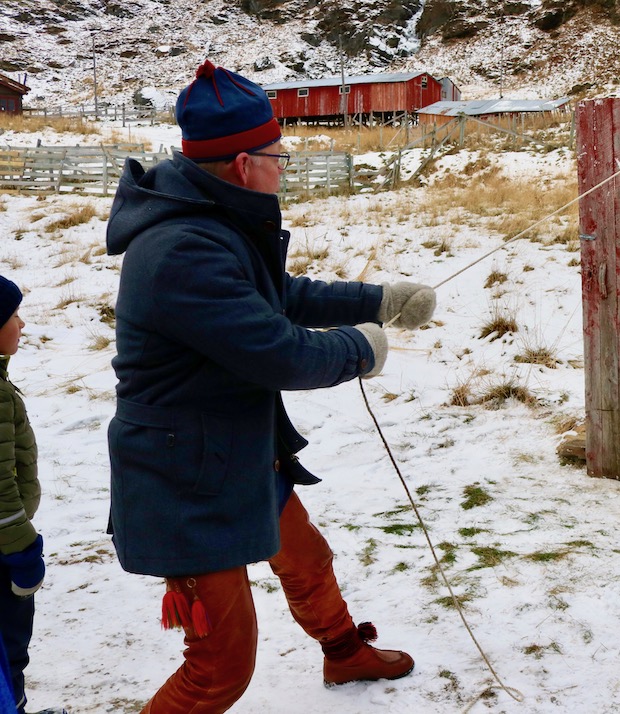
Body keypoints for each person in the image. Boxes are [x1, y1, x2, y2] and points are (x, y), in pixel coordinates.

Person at [105, 60, 437, 712]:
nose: (285, 163)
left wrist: (379, 300)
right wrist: (361, 349)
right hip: (186, 473)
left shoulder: (212, 217)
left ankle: (344, 654)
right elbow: (277, 351)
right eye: (277, 153)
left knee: (305, 556)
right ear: (241, 162)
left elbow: (278, 297)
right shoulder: (182, 250)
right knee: (220, 668)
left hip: (231, 447)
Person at [0, 276, 65, 714]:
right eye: (12, 316)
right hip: (4, 554)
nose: (21, 324)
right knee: (9, 650)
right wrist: (22, 551)